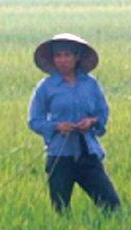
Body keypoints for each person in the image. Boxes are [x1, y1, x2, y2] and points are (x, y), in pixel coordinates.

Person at [28, 33, 121, 214]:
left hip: (88, 153)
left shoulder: (91, 84)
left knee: (111, 205)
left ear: (77, 57)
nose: (62, 60)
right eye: (58, 56)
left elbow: (102, 113)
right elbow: (34, 120)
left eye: (67, 55)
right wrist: (56, 126)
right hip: (59, 155)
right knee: (61, 210)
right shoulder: (46, 87)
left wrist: (91, 121)